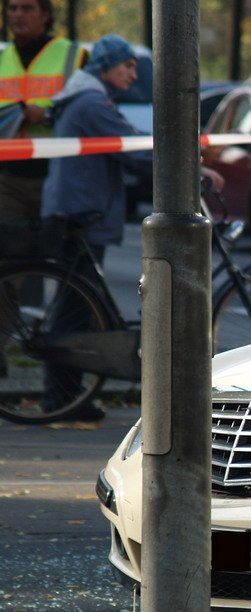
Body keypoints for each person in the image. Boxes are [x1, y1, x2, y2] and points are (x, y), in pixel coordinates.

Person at [40, 34, 152, 421]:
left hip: (77, 210)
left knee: (78, 305)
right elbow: (129, 145)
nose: (134, 72)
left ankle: (67, 396)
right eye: (127, 65)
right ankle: (60, 399)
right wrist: (183, 161)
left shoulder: (88, 98)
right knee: (76, 307)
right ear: (105, 67)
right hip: (81, 214)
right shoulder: (91, 103)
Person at [0, 0, 86, 228]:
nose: (18, 15)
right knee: (10, 251)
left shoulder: (73, 55)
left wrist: (47, 114)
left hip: (58, 172)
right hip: (9, 176)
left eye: (27, 8)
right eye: (13, 8)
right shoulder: (2, 57)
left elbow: (86, 110)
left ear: (45, 15)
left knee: (55, 252)